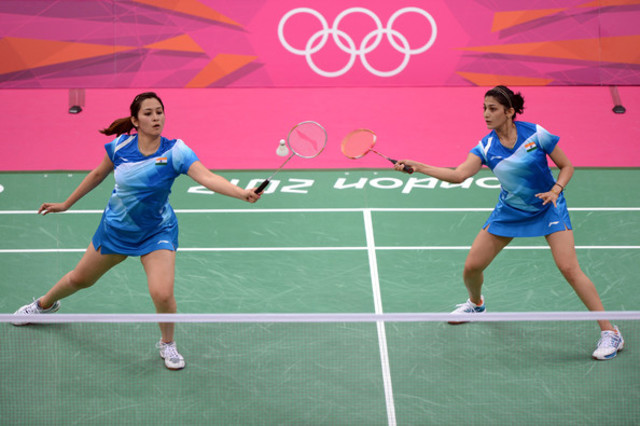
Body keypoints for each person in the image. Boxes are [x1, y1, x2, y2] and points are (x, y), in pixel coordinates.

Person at [13, 92, 261, 370]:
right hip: (116, 229)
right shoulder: (120, 146)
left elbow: (207, 177)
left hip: (157, 231)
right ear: (135, 120)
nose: (156, 118)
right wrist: (66, 204)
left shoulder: (176, 151)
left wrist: (242, 193)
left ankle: (167, 343)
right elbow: (97, 174)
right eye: (148, 113)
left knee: (162, 294)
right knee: (80, 279)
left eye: (159, 112)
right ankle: (44, 305)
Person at [394, 85, 624, 360]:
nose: (486, 114)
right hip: (511, 211)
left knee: (568, 267)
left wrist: (556, 190)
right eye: (484, 108)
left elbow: (567, 166)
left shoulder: (536, 134)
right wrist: (419, 166)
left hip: (548, 207)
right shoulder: (486, 147)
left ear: (509, 112)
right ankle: (476, 304)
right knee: (472, 267)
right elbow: (459, 175)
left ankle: (610, 331)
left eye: (492, 109)